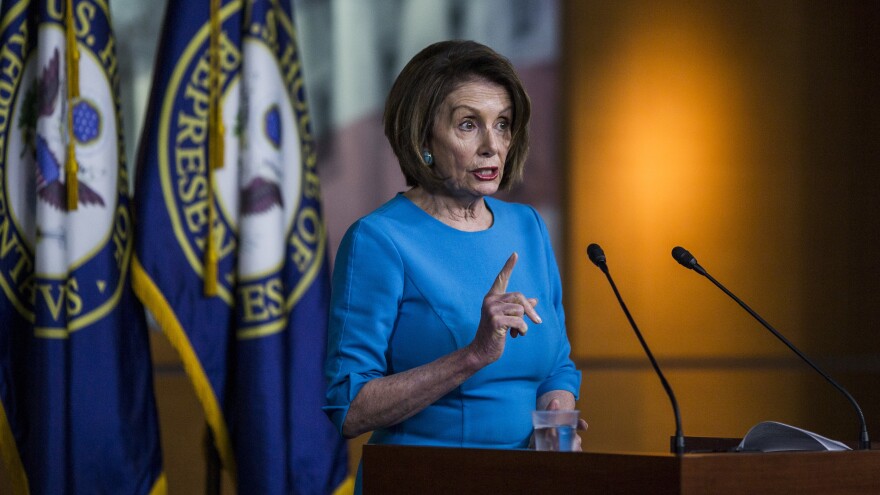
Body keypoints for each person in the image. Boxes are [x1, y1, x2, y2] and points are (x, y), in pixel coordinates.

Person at [323, 39, 586, 488]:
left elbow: (558, 362)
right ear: (423, 137)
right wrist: (473, 356)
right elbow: (350, 408)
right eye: (469, 125)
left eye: (502, 125)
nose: (492, 147)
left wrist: (558, 415)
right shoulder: (379, 240)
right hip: (426, 480)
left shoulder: (528, 228)